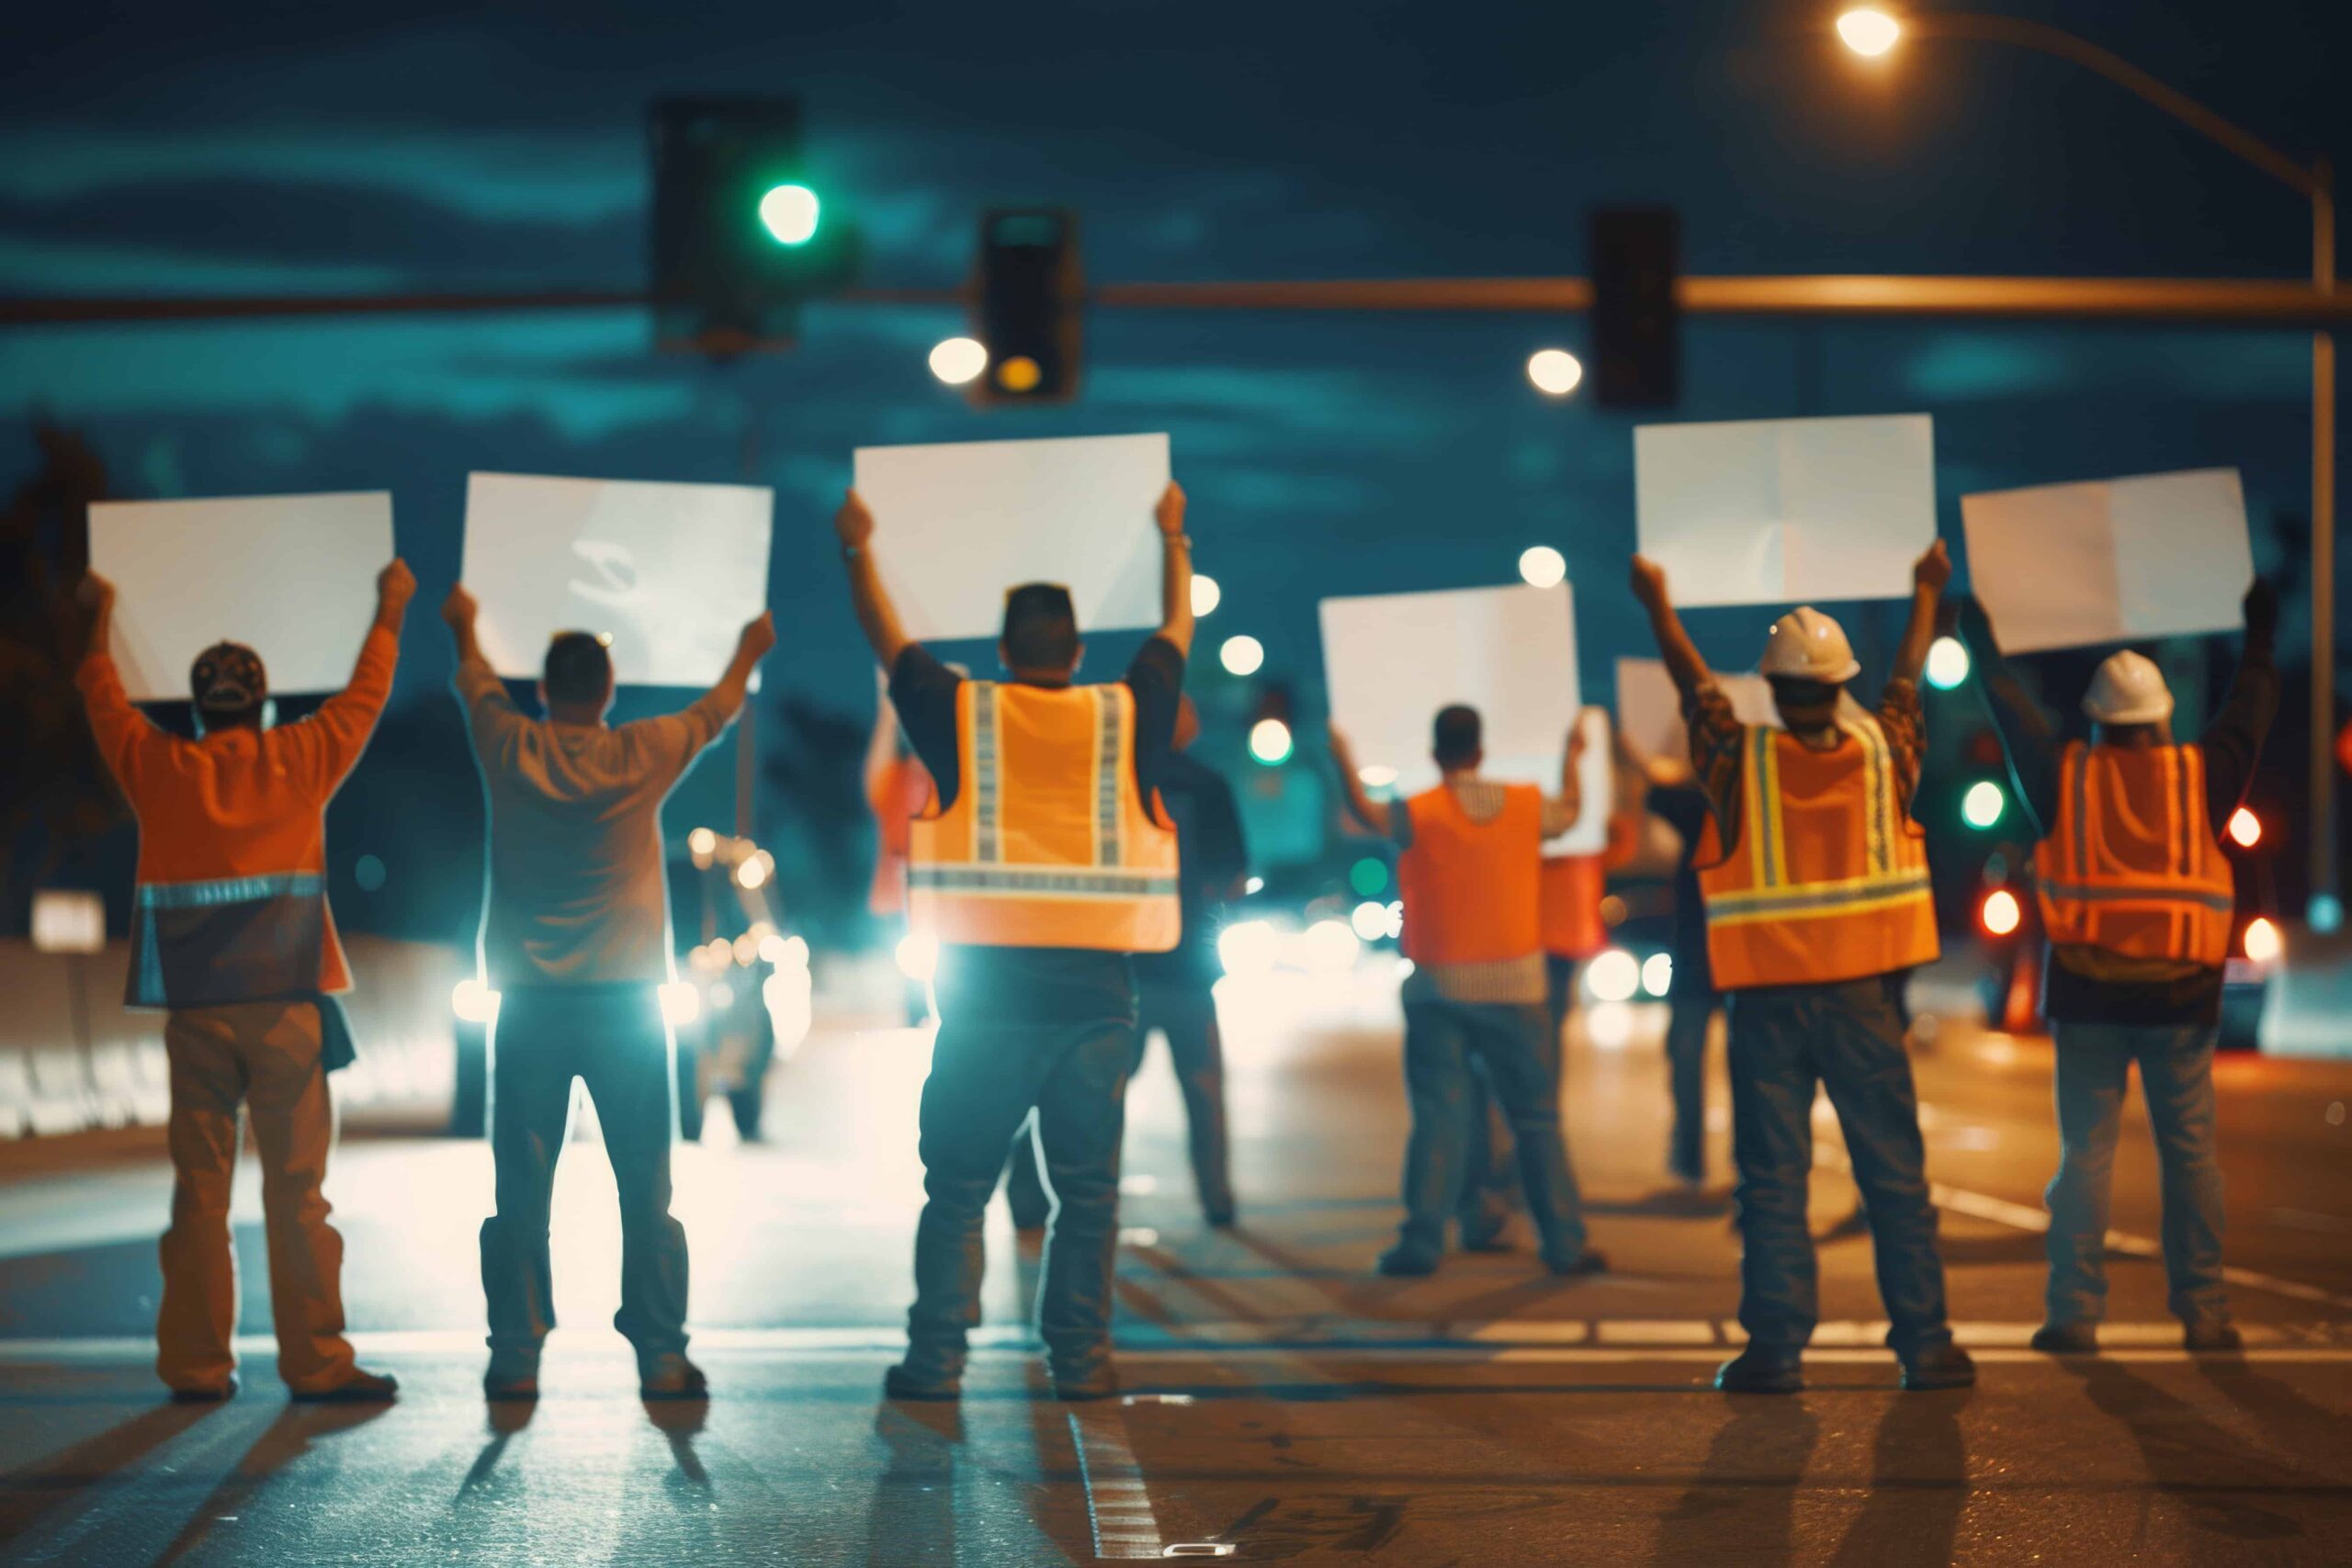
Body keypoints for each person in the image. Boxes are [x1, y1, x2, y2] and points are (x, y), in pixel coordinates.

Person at [835, 479, 1194, 1404]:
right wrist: (1172, 536)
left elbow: (890, 646)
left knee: (956, 1193)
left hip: (986, 1010)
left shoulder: (965, 716)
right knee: (1088, 1198)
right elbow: (1176, 634)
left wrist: (856, 551)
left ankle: (936, 1362)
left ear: (1002, 652)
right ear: (1077, 652)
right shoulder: (1125, 713)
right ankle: (1082, 1361)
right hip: (1095, 1005)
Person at [1631, 541, 1974, 1393]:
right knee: (1893, 1176)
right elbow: (1908, 685)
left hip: (1767, 1007)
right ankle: (1926, 1344)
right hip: (1864, 1001)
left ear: (1774, 690)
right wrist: (1925, 593)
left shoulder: (1738, 761)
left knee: (1772, 1182)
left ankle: (1777, 1351)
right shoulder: (1888, 755)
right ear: (1838, 684)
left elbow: (1694, 689)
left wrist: (1657, 603)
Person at [75, 564, 413, 1404]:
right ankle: (317, 1362)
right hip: (286, 1012)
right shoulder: (301, 757)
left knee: (200, 1192)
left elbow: (101, 695)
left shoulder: (159, 768)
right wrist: (390, 607)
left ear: (197, 710)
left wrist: (100, 619)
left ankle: (197, 1366)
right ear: (261, 706)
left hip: (194, 1010)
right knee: (297, 1193)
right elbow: (367, 693)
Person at [444, 585, 775, 1401]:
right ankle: (661, 1352)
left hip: (527, 1007)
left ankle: (516, 1353)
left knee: (520, 1191)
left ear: (547, 690)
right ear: (610, 692)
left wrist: (464, 623)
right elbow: (716, 711)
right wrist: (748, 648)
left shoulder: (507, 745)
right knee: (646, 1189)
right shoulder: (640, 754)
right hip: (627, 1007)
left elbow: (476, 678)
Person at [1959, 582, 2277, 1354]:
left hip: (2090, 999)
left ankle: (2073, 1315)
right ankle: (2204, 1314)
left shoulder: (2065, 778)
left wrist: (1982, 642)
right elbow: (2249, 714)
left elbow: (2012, 712)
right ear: (2164, 721)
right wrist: (2260, 635)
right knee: (2191, 1156)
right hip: (2180, 1000)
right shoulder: (2198, 778)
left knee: (2084, 1157)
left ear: (2099, 726)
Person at [1329, 709, 1606, 1280]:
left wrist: (1341, 758)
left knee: (1439, 1118)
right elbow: (1572, 813)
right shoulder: (1527, 806)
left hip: (1438, 988)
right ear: (1481, 752)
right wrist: (1571, 756)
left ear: (1436, 754)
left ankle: (1422, 1243)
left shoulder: (1417, 809)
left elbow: (1365, 812)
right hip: (1518, 988)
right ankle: (1564, 1243)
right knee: (1537, 1119)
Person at [1004, 694, 1249, 1228]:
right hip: (1186, 970)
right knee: (1203, 1090)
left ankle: (1038, 1192)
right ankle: (1218, 1200)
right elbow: (1234, 878)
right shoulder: (1208, 785)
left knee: (1090, 1095)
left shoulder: (1104, 783)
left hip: (1115, 968)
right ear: (1181, 722)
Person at [1643, 756, 1724, 1190]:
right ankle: (1752, 1163)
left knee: (1686, 1059)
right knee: (1752, 1070)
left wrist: (1667, 767)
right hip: (1745, 961)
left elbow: (1654, 792)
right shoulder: (1749, 801)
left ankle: (1689, 1160)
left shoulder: (1699, 811)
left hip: (1698, 959)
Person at [864, 670, 938, 1027]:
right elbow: (879, 757)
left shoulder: (946, 784)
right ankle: (911, 1005)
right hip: (896, 900)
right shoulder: (893, 779)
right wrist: (887, 705)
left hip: (937, 903)